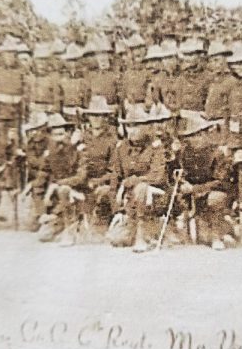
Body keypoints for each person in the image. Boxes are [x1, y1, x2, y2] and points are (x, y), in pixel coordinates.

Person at [108, 104, 169, 252]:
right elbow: (115, 178)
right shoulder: (121, 148)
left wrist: (134, 180)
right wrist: (117, 210)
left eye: (137, 126)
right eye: (129, 126)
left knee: (141, 188)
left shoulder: (156, 147)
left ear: (147, 127)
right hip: (130, 202)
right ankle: (144, 228)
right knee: (117, 239)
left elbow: (158, 176)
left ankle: (143, 233)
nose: (132, 131)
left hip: (154, 197)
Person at [175, 113, 231, 249]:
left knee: (216, 198)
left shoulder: (217, 153)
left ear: (206, 134)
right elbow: (179, 173)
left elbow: (221, 181)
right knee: (203, 239)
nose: (195, 139)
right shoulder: (184, 153)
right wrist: (182, 182)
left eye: (198, 135)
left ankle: (220, 232)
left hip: (212, 194)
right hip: (192, 197)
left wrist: (195, 189)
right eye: (191, 136)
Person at [37, 113, 88, 246]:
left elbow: (81, 177)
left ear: (68, 133)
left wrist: (57, 184)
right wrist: (42, 210)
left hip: (78, 195)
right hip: (58, 202)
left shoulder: (79, 150)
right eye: (54, 135)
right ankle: (60, 222)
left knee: (64, 190)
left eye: (61, 134)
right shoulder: (50, 154)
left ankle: (71, 229)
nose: (58, 139)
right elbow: (40, 181)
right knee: (44, 236)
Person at [78, 96, 118, 231]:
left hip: (102, 182)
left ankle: (100, 222)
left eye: (99, 116)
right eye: (93, 115)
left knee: (103, 195)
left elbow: (114, 170)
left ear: (105, 118)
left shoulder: (112, 139)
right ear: (88, 117)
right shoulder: (82, 136)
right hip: (82, 180)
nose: (96, 119)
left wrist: (98, 181)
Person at [60, 42, 91, 122]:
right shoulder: (62, 80)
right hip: (66, 113)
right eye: (70, 60)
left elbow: (87, 96)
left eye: (75, 60)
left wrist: (84, 109)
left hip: (80, 112)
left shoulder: (84, 79)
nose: (73, 63)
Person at [30, 43, 60, 114]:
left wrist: (55, 107)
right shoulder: (31, 77)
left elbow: (57, 95)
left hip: (49, 108)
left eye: (44, 60)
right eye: (39, 60)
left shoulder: (53, 77)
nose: (42, 63)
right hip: (33, 108)